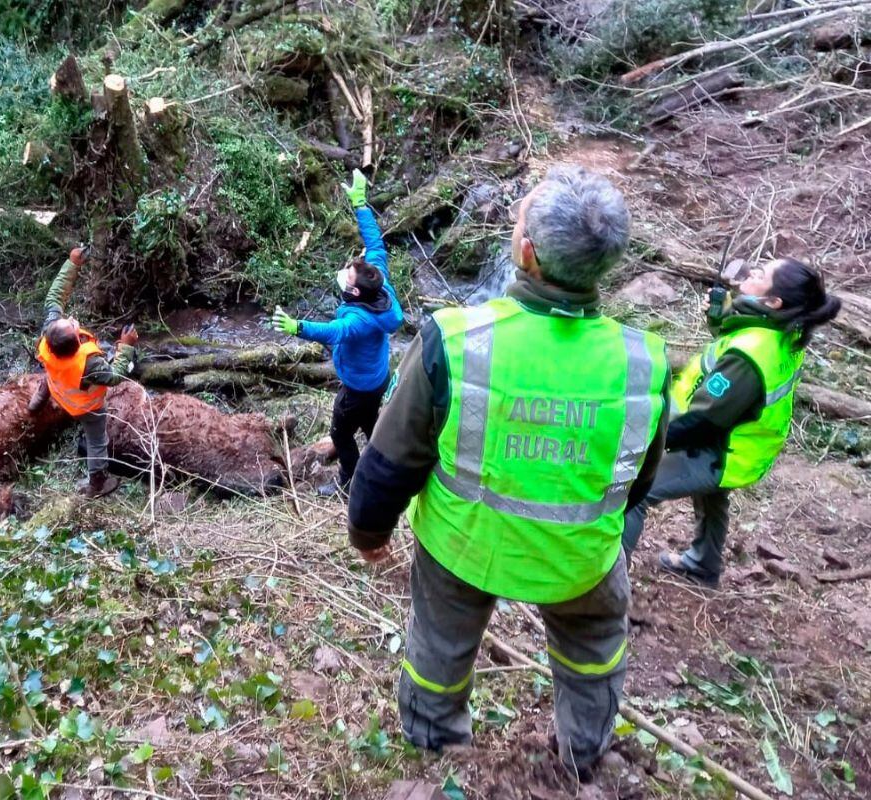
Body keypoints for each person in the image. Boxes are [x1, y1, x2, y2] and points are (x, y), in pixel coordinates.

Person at [346, 166, 670, 781]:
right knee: (594, 653)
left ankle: (436, 744)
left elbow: (391, 460)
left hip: (464, 548)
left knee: (439, 647)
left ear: (526, 252)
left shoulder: (456, 337)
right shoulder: (643, 360)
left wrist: (369, 534)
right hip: (581, 561)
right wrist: (616, 542)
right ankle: (583, 752)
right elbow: (639, 481)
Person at [623, 257, 842, 587]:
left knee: (634, 494)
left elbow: (702, 421)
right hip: (747, 445)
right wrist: (721, 313)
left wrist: (652, 437)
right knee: (712, 499)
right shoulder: (785, 329)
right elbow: (741, 335)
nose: (753, 271)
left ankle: (604, 586)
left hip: (719, 449)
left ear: (773, 301)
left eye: (761, 274)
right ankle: (703, 565)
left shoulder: (748, 357)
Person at [272, 169, 403, 496]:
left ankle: (349, 480)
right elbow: (375, 241)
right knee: (375, 426)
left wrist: (295, 327)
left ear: (356, 293)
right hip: (378, 379)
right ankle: (384, 467)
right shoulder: (378, 279)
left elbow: (332, 331)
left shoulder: (359, 321)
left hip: (357, 388)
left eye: (348, 275)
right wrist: (360, 203)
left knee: (342, 434)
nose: (345, 272)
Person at [29, 245, 138, 498]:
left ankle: (35, 406)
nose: (74, 321)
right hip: (85, 407)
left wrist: (72, 263)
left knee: (48, 377)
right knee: (96, 441)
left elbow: (55, 297)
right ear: (77, 342)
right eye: (73, 326)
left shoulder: (48, 334)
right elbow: (115, 377)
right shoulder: (89, 364)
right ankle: (97, 484)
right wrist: (126, 348)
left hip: (56, 385)